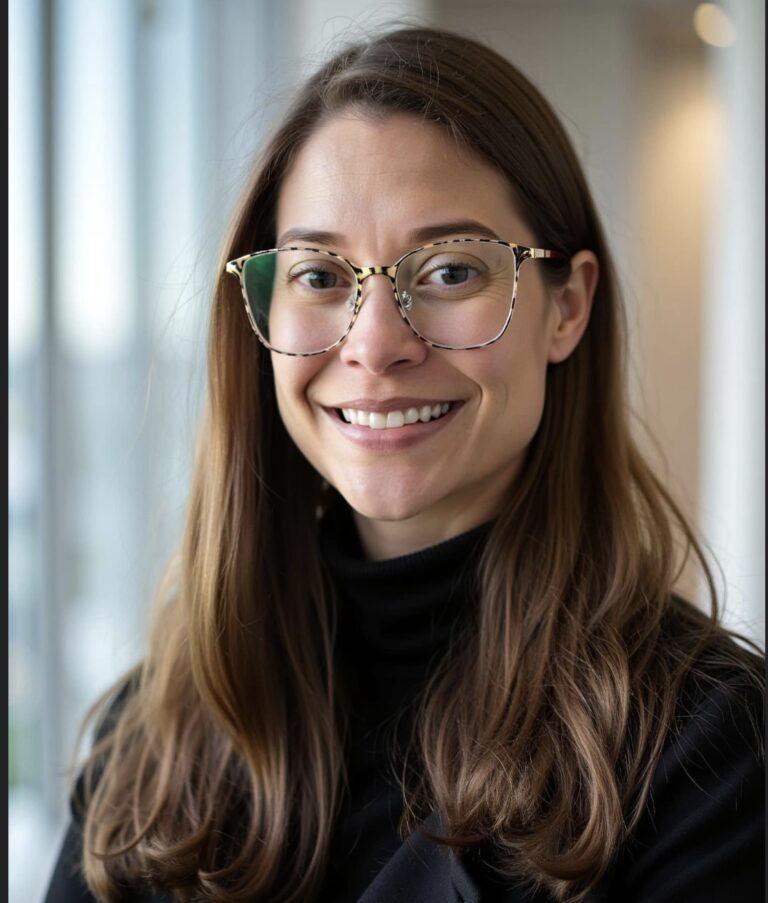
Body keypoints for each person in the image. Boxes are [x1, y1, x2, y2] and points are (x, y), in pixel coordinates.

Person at [44, 24, 764, 903]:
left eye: (452, 270)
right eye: (319, 276)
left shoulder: (711, 750)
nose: (377, 343)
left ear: (566, 307)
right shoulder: (149, 739)